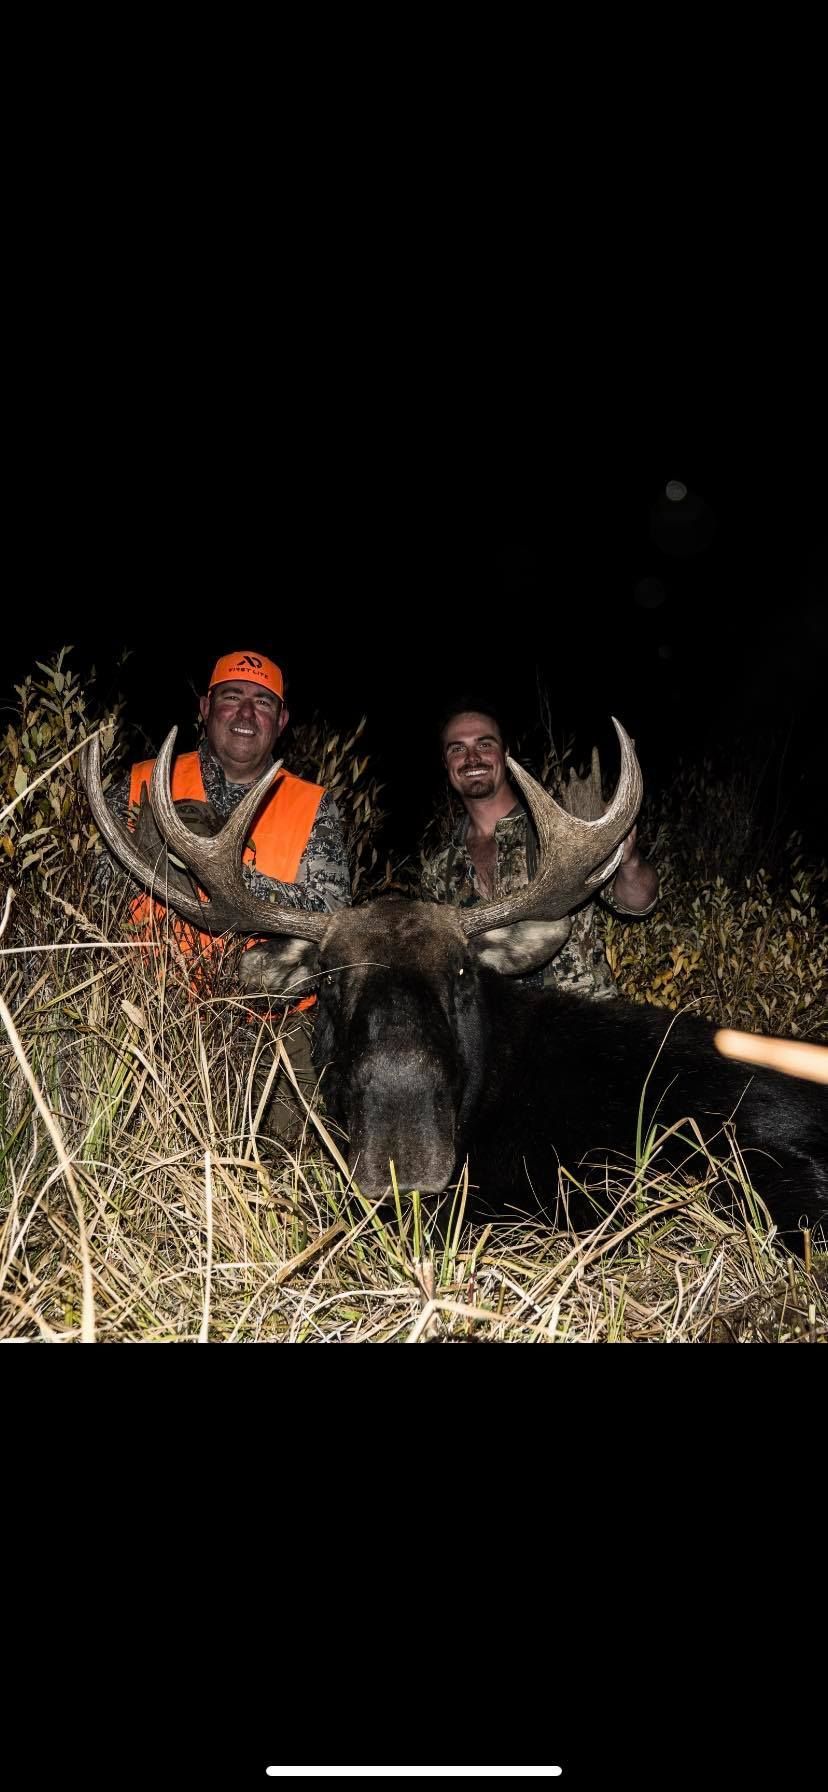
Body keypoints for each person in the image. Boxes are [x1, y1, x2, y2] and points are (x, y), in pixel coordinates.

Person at [96, 648, 351, 1138]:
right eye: (231, 697)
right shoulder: (143, 782)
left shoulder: (312, 805)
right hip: (147, 1006)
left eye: (262, 702)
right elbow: (92, 888)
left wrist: (220, 873)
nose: (245, 712)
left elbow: (330, 917)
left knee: (285, 1173)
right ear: (205, 708)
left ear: (281, 720)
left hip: (271, 1023)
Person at [420, 702, 658, 999]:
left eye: (484, 744)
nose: (471, 758)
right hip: (497, 1036)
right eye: (457, 749)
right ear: (446, 763)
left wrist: (629, 859)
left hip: (583, 1022)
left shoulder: (565, 830)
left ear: (506, 754)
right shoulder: (438, 870)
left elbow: (638, 902)